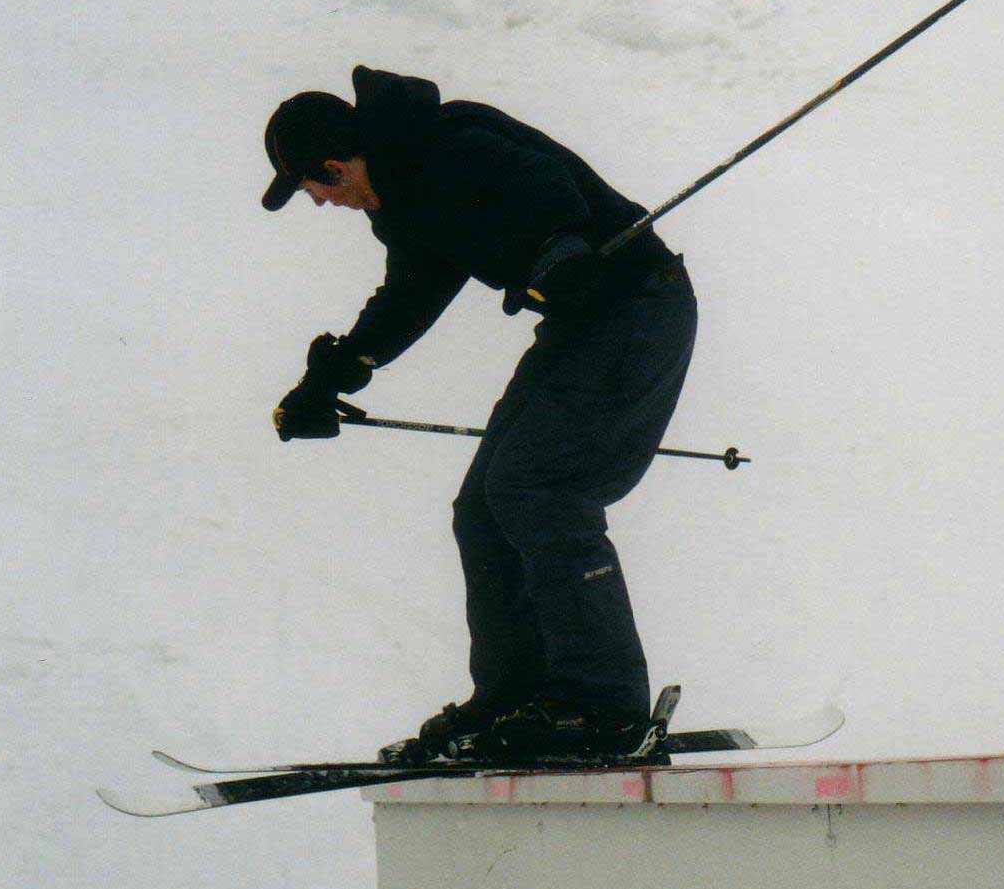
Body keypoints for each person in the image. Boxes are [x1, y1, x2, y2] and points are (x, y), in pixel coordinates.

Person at [262, 65, 696, 763]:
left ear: (337, 166)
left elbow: (548, 184)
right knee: (482, 506)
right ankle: (519, 692)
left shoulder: (447, 143)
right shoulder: (401, 198)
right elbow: (412, 293)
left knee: (539, 488)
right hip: (582, 326)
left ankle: (604, 704)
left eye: (316, 188)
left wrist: (562, 244)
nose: (320, 203)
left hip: (640, 305)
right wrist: (339, 369)